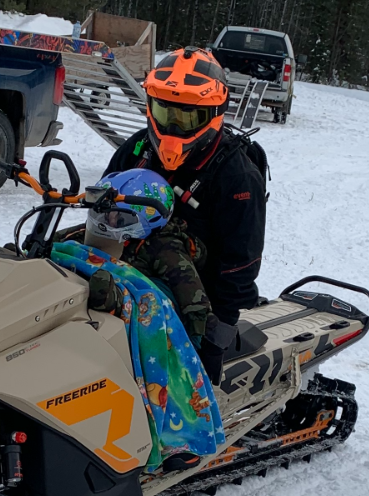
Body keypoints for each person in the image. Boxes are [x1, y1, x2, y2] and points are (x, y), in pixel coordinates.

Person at [104, 47, 267, 383]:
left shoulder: (237, 176)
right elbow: (101, 204)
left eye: (187, 117)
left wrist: (215, 337)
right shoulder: (137, 150)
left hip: (192, 296)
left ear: (213, 113)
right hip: (124, 275)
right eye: (165, 113)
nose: (174, 126)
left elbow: (240, 265)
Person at [58, 169, 219, 366]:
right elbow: (62, 242)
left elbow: (191, 295)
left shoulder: (164, 247)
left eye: (120, 218)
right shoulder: (99, 232)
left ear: (148, 219)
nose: (108, 222)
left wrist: (197, 345)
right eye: (103, 214)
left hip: (136, 322)